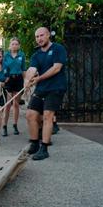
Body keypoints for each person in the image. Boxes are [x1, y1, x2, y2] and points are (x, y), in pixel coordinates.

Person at [24, 27, 68, 160]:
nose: (39, 39)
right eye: (37, 37)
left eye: (41, 35)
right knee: (30, 115)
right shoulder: (36, 55)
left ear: (48, 35)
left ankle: (44, 148)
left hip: (56, 88)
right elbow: (32, 69)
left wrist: (38, 78)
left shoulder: (58, 49)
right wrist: (26, 81)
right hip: (41, 89)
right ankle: (34, 143)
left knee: (48, 115)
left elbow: (56, 68)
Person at [2, 37, 26, 136]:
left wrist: (26, 82)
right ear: (9, 46)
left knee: (16, 103)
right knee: (8, 104)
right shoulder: (6, 56)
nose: (14, 46)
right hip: (9, 79)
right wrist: (3, 79)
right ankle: (4, 126)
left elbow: (23, 69)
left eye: (16, 44)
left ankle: (15, 125)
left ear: (19, 46)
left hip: (18, 79)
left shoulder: (21, 55)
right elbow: (2, 68)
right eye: (13, 44)